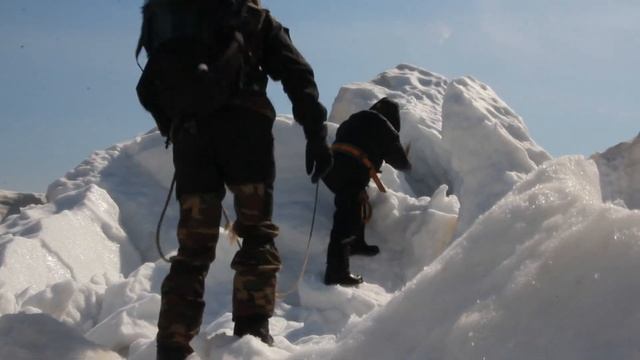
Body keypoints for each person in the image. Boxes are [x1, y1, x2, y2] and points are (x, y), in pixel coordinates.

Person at [137, 0, 333, 359]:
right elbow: (296, 73)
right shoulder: (251, 15)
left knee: (193, 249)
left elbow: (149, 85)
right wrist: (315, 134)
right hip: (246, 135)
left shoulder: (164, 15)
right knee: (256, 234)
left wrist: (178, 126)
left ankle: (172, 344)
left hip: (192, 140)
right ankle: (252, 337)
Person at [322, 98, 411, 286]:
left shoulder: (354, 120)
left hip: (331, 168)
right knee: (345, 220)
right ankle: (336, 273)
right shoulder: (386, 127)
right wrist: (408, 163)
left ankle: (357, 244)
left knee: (356, 202)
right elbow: (400, 162)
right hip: (350, 170)